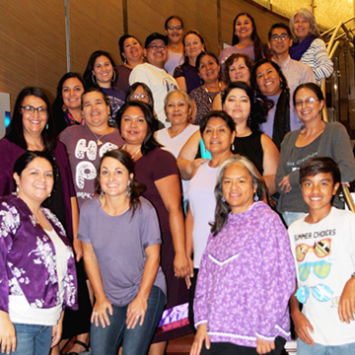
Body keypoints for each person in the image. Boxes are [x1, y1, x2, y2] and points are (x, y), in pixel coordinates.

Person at [190, 155, 296, 355]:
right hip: (216, 332)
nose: (233, 187)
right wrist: (202, 323)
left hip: (257, 335)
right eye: (227, 181)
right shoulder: (219, 229)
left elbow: (281, 278)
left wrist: (266, 330)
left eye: (241, 181)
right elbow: (203, 280)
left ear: (254, 186)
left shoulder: (267, 221)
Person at [116, 101, 191, 354]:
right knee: (130, 309)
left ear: (149, 125)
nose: (133, 125)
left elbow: (174, 208)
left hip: (163, 244)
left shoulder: (161, 158)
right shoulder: (114, 159)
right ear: (119, 124)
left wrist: (181, 252)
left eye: (140, 120)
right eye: (127, 119)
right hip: (126, 250)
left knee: (165, 311)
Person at [78, 149, 166, 355]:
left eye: (118, 172)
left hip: (146, 288)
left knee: (132, 352)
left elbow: (154, 256)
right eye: (105, 172)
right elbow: (88, 255)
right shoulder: (89, 209)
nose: (111, 178)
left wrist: (141, 298)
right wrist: (99, 297)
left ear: (130, 178)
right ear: (99, 177)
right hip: (109, 294)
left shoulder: (145, 209)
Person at [0, 151, 77, 355]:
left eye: (48, 174)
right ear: (17, 177)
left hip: (47, 321)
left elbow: (60, 269)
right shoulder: (7, 210)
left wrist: (58, 315)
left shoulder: (51, 217)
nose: (42, 179)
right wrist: (1, 317)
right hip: (16, 320)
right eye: (34, 173)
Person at [288, 157, 355, 355]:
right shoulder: (293, 230)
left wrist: (352, 282)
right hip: (310, 335)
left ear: (335, 188)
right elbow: (292, 279)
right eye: (308, 184)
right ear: (301, 188)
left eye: (323, 184)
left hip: (348, 333)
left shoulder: (348, 221)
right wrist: (295, 313)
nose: (315, 191)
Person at [275, 83, 355, 227]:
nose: (304, 106)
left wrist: (296, 177)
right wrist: (326, 173)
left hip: (325, 213)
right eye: (299, 102)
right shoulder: (289, 138)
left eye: (309, 100)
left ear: (321, 104)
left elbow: (347, 171)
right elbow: (280, 184)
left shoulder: (334, 131)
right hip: (290, 214)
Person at [185, 111, 235, 329]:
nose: (214, 135)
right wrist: (187, 255)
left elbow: (258, 215)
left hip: (230, 263)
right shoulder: (199, 170)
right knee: (200, 323)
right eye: (208, 130)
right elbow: (191, 216)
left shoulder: (240, 168)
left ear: (233, 136)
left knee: (226, 325)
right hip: (200, 262)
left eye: (221, 130)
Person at [60, 88, 124, 209]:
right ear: (83, 112)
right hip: (76, 212)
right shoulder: (69, 134)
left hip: (113, 212)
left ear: (108, 108)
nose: (93, 107)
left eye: (98, 102)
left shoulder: (122, 137)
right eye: (87, 104)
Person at [155, 90, 199, 205]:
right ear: (165, 111)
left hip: (188, 200)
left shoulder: (199, 132)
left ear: (189, 110)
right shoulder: (156, 136)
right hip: (160, 198)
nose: (176, 109)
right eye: (170, 105)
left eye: (181, 104)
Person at [129, 33, 178, 127]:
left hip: (173, 131)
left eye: (162, 46)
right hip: (155, 130)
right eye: (154, 46)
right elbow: (140, 104)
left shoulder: (171, 78)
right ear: (145, 51)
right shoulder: (142, 70)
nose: (159, 49)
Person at [251, 59, 302, 149]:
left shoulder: (298, 97)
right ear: (256, 84)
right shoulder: (253, 106)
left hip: (301, 155)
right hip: (266, 158)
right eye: (260, 76)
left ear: (280, 76)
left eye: (269, 72)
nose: (266, 77)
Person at [268, 23, 316, 92]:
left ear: (290, 42)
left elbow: (313, 98)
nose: (279, 41)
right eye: (275, 37)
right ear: (269, 44)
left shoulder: (304, 70)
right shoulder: (262, 72)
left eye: (283, 37)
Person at [290, 8, 333, 82]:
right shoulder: (290, 49)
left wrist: (306, 79)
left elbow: (327, 67)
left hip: (309, 91)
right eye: (297, 21)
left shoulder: (317, 43)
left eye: (304, 21)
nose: (300, 25)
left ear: (311, 26)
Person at [83, 50, 126, 120]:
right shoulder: (89, 95)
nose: (104, 69)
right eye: (98, 66)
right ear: (93, 72)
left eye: (106, 64)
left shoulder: (122, 94)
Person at [190, 52, 226, 125]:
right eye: (203, 66)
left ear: (218, 66)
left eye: (211, 63)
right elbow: (190, 124)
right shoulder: (195, 95)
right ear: (199, 74)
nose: (208, 68)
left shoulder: (231, 89)